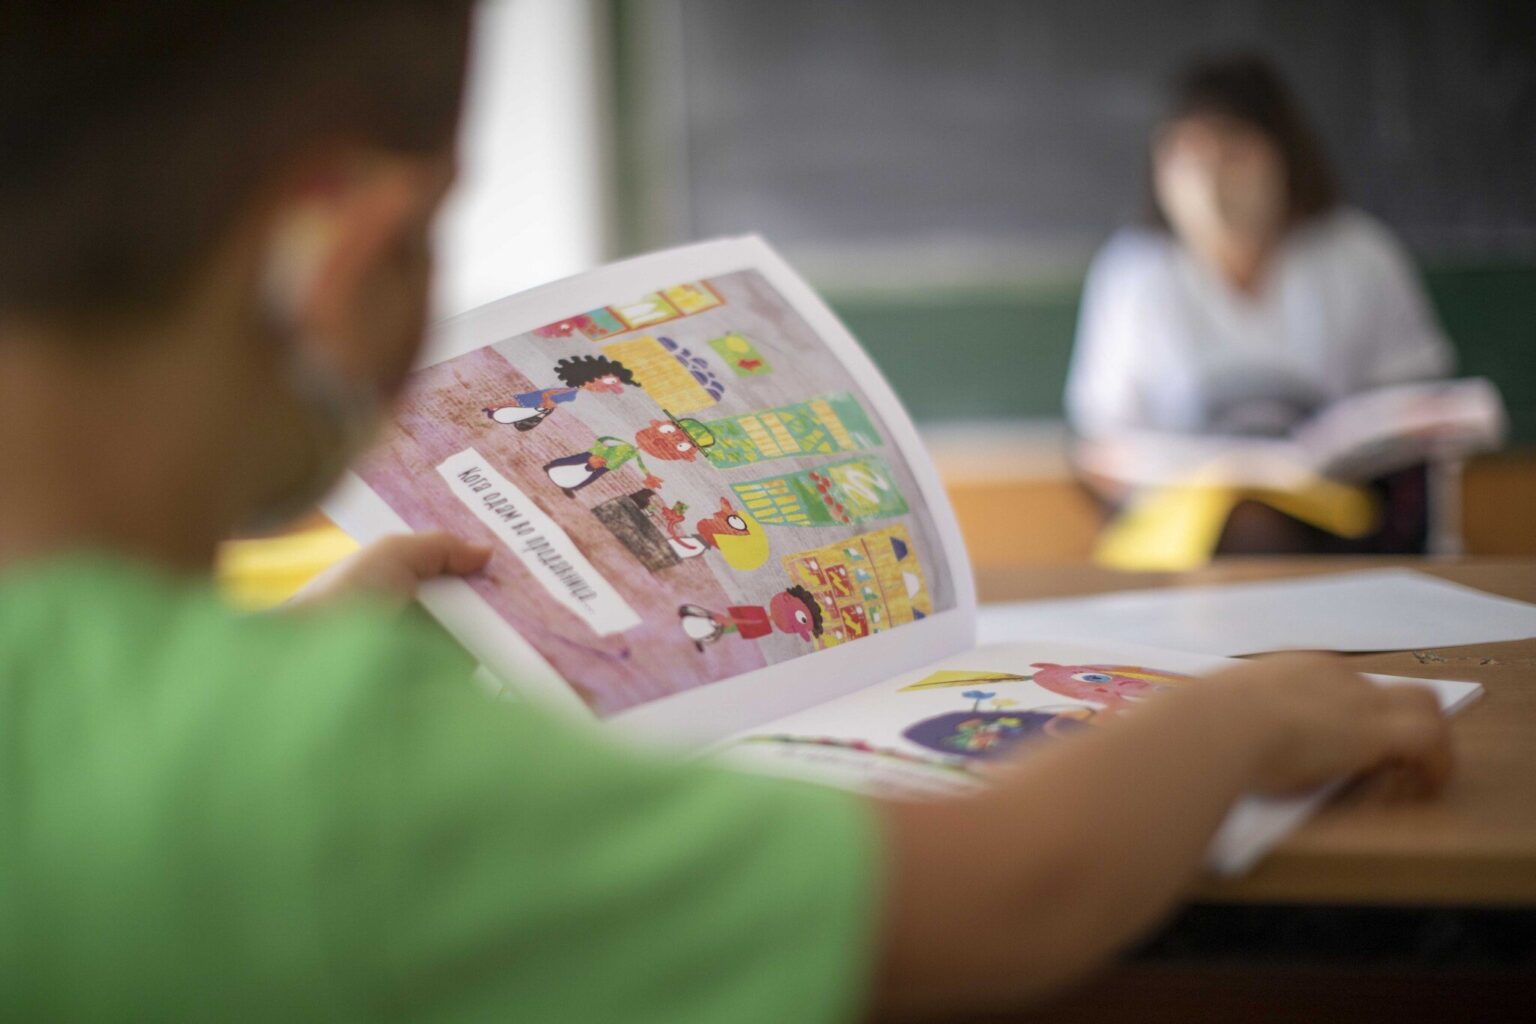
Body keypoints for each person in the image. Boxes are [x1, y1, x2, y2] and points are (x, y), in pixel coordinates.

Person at [0, 6, 1452, 1020]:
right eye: (437, 229)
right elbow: (1010, 893)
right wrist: (1237, 717)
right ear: (340, 263)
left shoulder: (202, 710)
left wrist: (277, 649)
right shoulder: (339, 772)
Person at [1065, 54, 1455, 554]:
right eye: (1187, 153)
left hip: (1333, 525)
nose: (1208, 178)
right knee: (1244, 522)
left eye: (1233, 151)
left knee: (1266, 523)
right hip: (1185, 536)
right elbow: (1103, 442)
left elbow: (1414, 417)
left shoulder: (1359, 257)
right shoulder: (1131, 274)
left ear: (1283, 155)